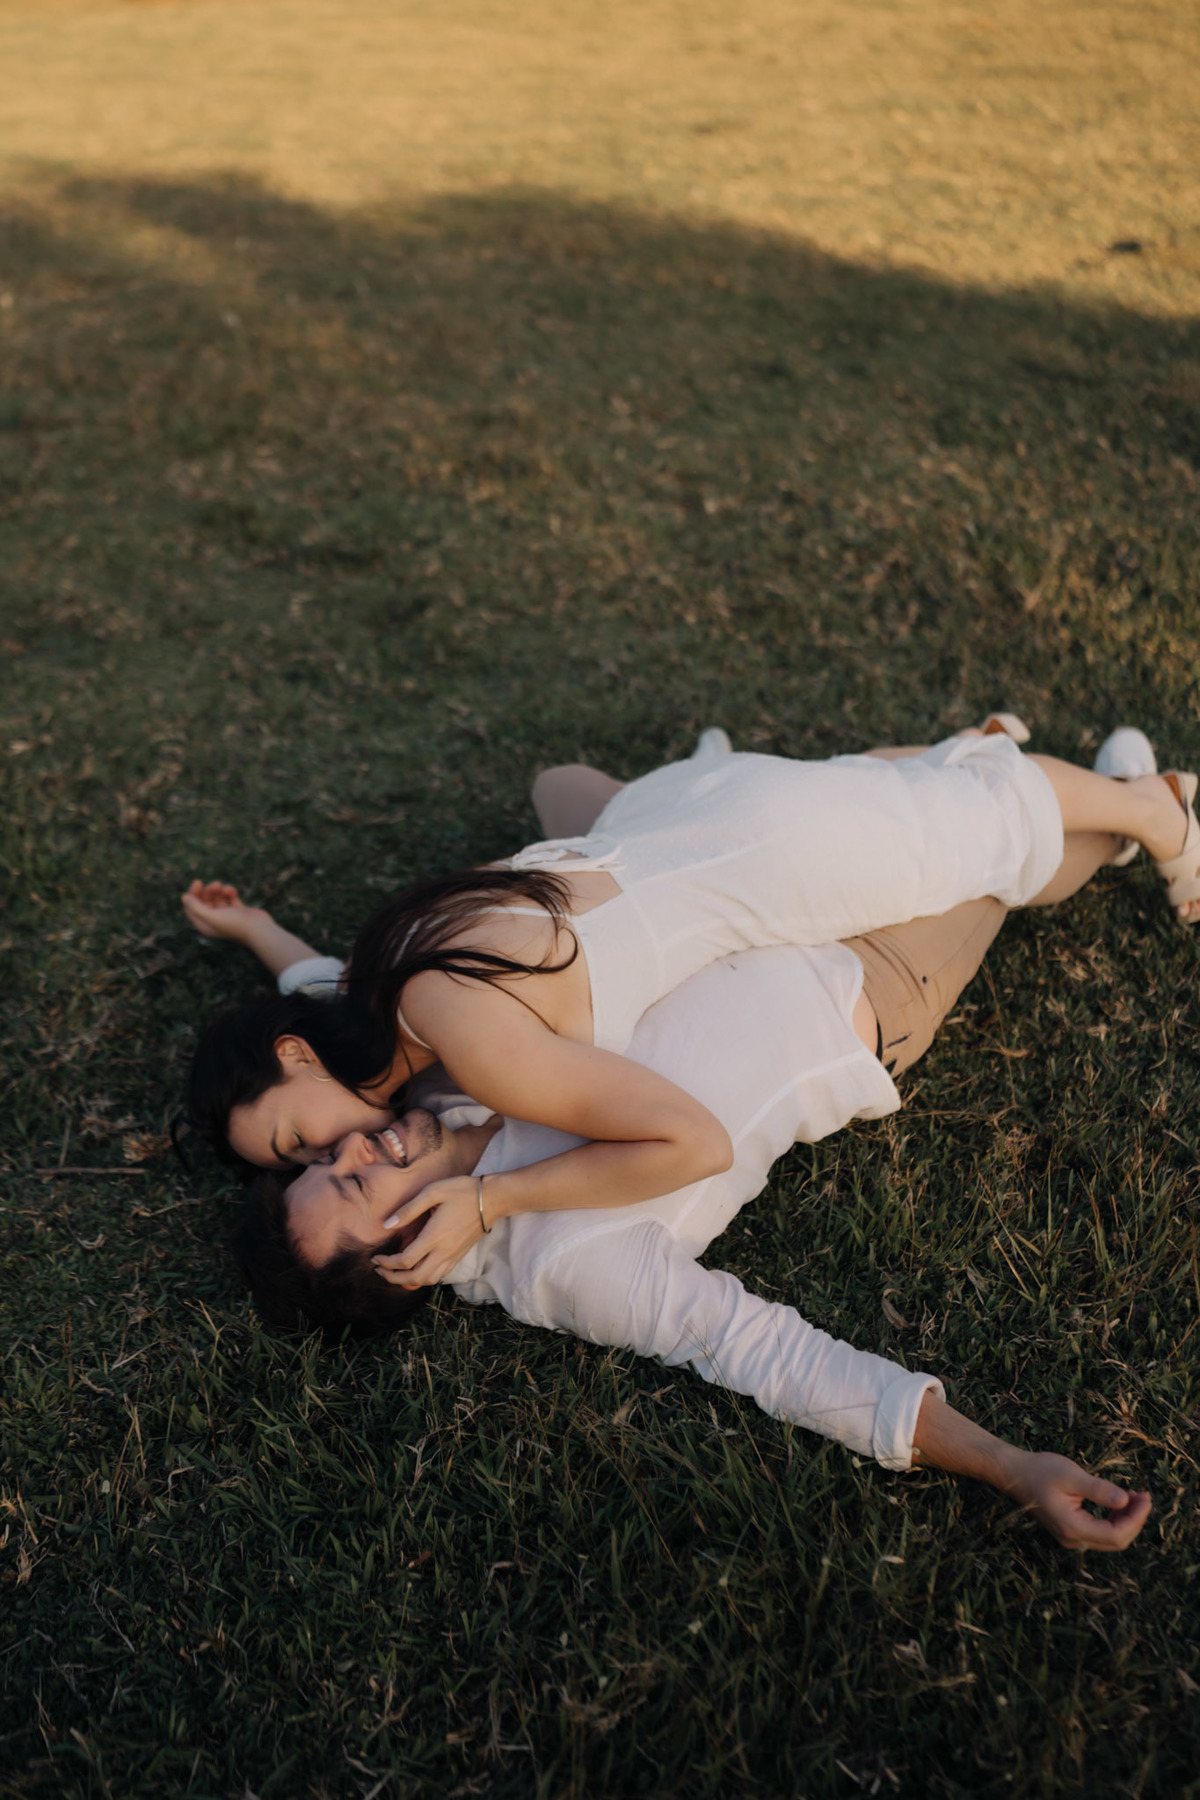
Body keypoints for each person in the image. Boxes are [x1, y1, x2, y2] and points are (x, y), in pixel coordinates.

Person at [227, 874, 1157, 1553]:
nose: (354, 1147)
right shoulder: (564, 1263)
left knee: (571, 784)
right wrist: (1012, 1466)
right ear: (407, 1258)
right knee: (1008, 846)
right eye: (352, 1183)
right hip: (859, 984)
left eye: (325, 1155)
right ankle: (1135, 806)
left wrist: (257, 928)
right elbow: (774, 1357)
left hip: (740, 910)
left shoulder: (432, 1098)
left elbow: (340, 1007)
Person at [184, 721, 1198, 1287]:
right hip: (679, 811)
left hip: (772, 857)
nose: (332, 1158)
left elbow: (694, 1144)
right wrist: (258, 930)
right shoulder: (386, 966)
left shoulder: (472, 1046)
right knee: (930, 808)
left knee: (996, 832)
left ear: (300, 1057)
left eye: (297, 1143)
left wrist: (494, 1202)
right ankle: (981, 767)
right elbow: (314, 986)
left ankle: (1158, 814)